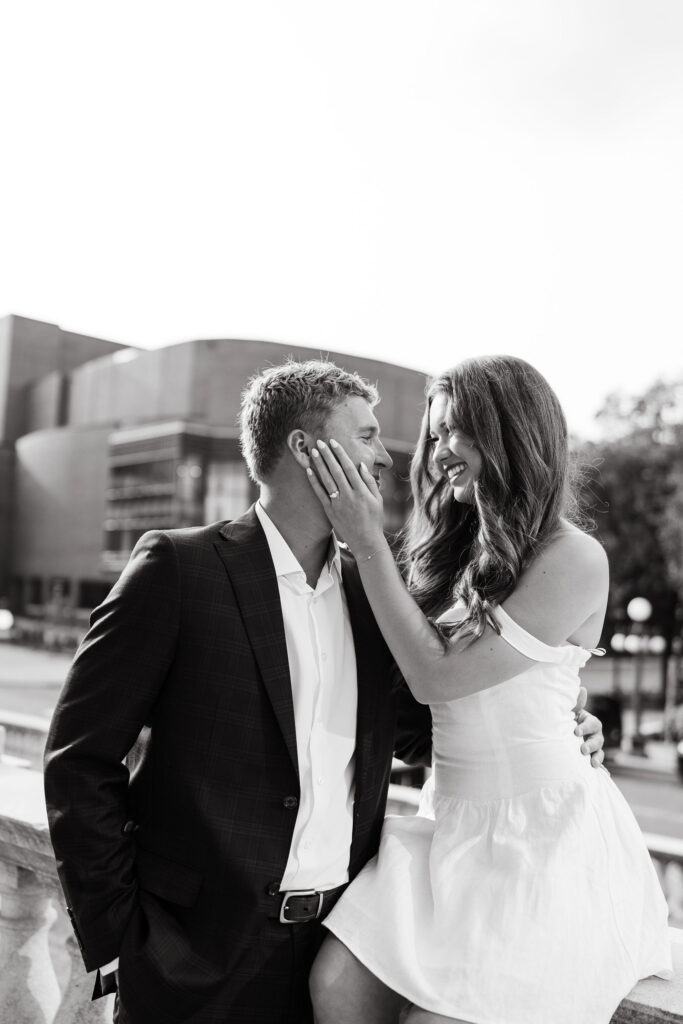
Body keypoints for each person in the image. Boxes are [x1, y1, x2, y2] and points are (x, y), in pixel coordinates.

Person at [43, 358, 604, 1024]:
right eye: (365, 436)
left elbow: (429, 726)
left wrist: (567, 724)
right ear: (306, 449)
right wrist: (118, 934)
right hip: (190, 954)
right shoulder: (178, 568)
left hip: (331, 948)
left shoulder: (376, 599)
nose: (388, 459)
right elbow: (79, 759)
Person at [306, 355, 672, 1024]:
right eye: (436, 433)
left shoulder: (573, 556)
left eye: (458, 431)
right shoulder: (451, 550)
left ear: (512, 434)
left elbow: (437, 676)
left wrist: (365, 544)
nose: (441, 450)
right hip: (447, 823)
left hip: (541, 835)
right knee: (335, 988)